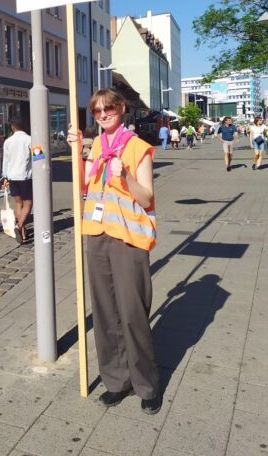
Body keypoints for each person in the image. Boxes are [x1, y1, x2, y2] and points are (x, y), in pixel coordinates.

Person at [68, 89, 161, 415]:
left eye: (108, 108)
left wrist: (125, 176)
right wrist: (77, 152)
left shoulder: (138, 148)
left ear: (121, 109)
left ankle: (146, 385)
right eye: (96, 111)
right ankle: (116, 381)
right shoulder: (96, 146)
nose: (103, 114)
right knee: (105, 314)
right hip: (97, 236)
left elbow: (147, 197)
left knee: (133, 314)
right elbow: (83, 187)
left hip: (128, 239)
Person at [2, 117, 32, 243]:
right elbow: (39, 157)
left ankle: (23, 233)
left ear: (13, 127)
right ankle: (19, 225)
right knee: (29, 203)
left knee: (19, 204)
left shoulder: (8, 142)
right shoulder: (31, 139)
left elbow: (5, 160)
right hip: (25, 176)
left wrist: (5, 176)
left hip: (12, 176)